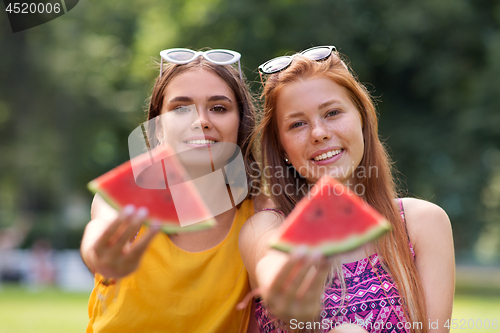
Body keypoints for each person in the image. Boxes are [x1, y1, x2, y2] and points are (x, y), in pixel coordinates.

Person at [239, 46, 455, 332]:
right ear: (282, 147)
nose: (319, 133)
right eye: (298, 124)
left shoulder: (423, 223)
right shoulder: (266, 227)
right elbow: (271, 265)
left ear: (363, 119)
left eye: (332, 112)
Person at [81, 48, 263, 332]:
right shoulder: (124, 195)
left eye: (219, 108)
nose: (201, 120)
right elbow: (101, 228)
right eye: (180, 108)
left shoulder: (259, 210)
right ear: (158, 128)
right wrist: (99, 252)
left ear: (240, 123)